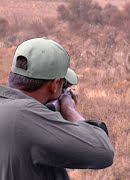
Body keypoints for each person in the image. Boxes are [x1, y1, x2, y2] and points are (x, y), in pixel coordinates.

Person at [0, 37, 114, 180]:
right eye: (63, 85)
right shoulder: (25, 117)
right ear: (54, 85)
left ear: (12, 76)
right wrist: (69, 109)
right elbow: (102, 152)